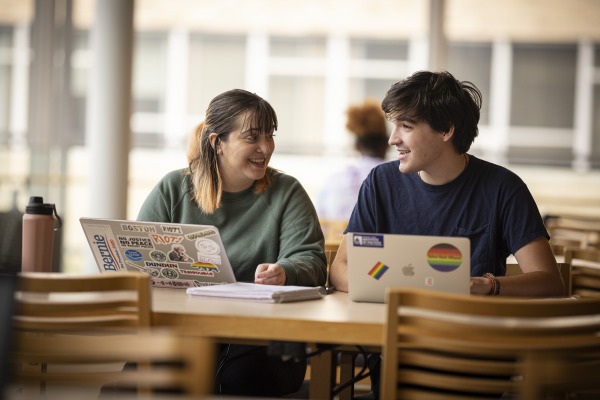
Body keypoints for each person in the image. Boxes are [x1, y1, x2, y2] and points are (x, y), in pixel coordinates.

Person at [328, 71, 565, 399]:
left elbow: (549, 281)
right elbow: (340, 268)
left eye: (406, 127)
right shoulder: (380, 183)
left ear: (446, 130)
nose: (392, 139)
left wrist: (487, 284)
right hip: (397, 356)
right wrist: (399, 292)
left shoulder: (503, 188)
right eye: (393, 125)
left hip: (475, 360)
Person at [137, 88, 327, 397]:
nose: (265, 147)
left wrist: (285, 271)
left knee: (235, 380)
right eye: (252, 137)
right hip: (183, 333)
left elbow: (313, 261)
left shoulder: (287, 192)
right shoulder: (174, 188)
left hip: (260, 341)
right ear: (217, 143)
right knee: (127, 386)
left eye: (270, 136)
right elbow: (139, 261)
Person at [316, 100, 389, 221]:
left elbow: (319, 218)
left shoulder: (335, 180)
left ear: (356, 145)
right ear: (387, 143)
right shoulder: (399, 178)